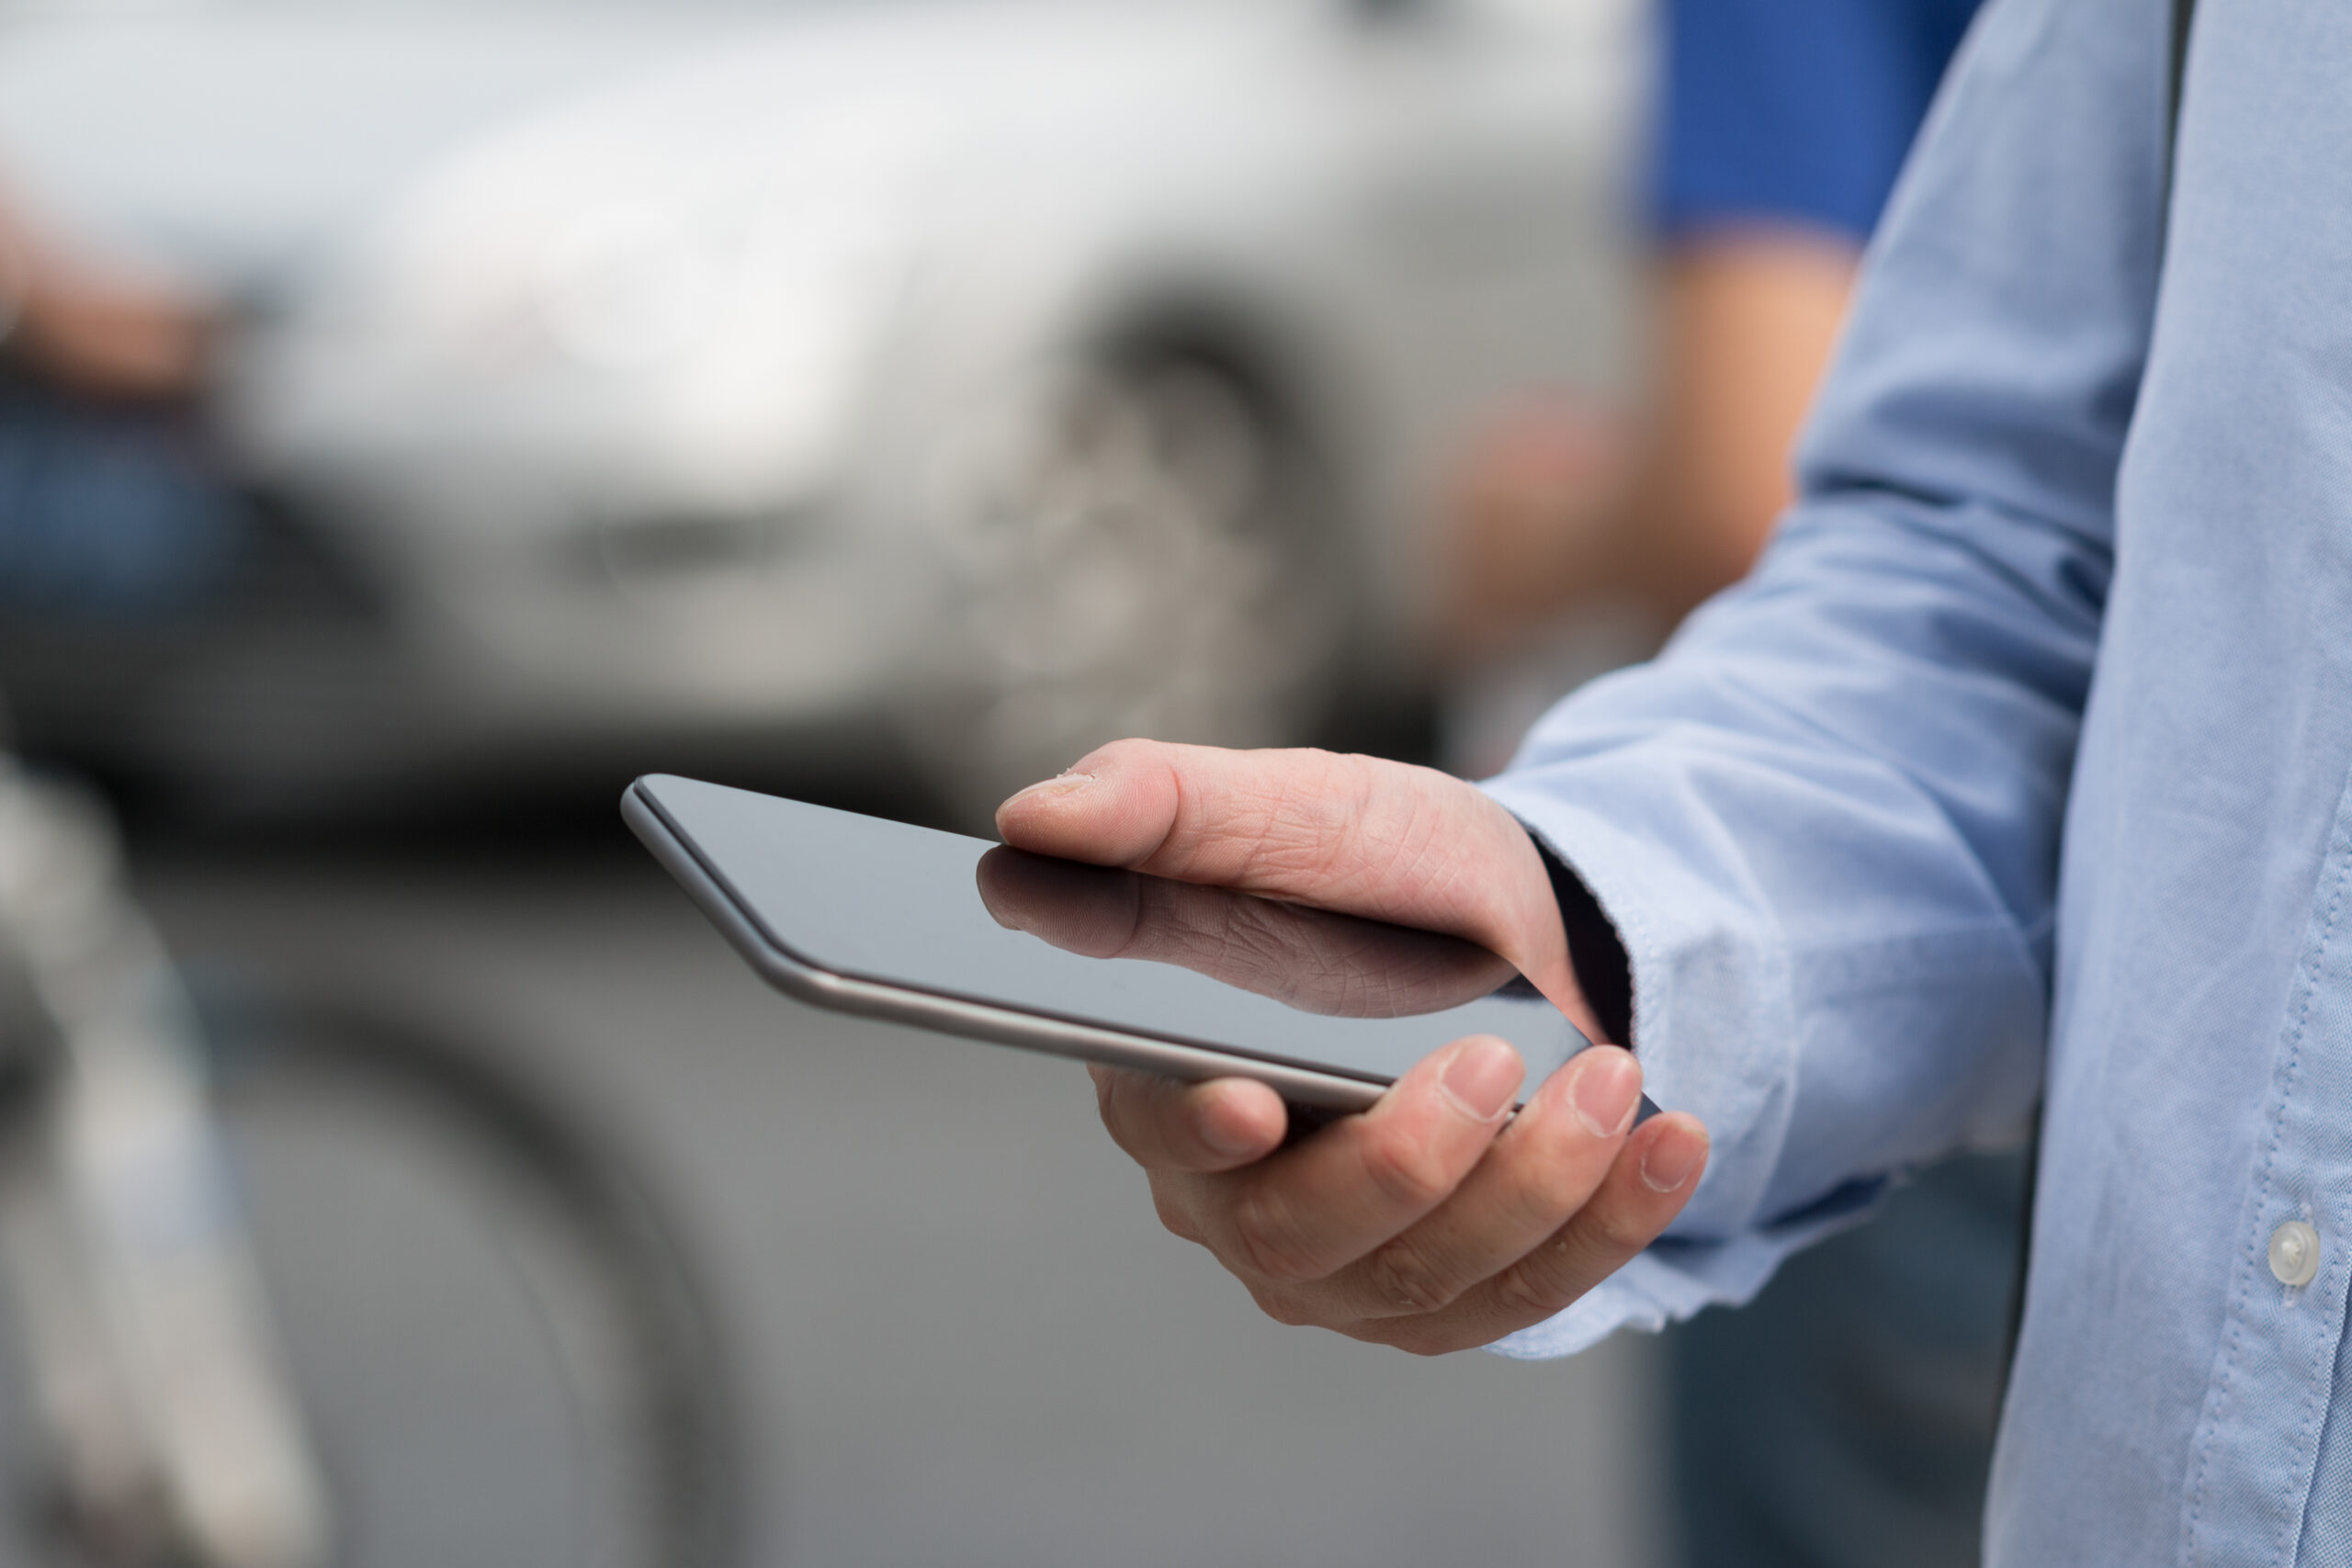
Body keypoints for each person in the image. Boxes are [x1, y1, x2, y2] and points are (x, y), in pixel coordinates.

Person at [991, 0, 2347, 1556]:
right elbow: (2017, 578)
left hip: (1945, 1174)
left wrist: (1514, 535)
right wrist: (1582, 920)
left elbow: (1733, 473)